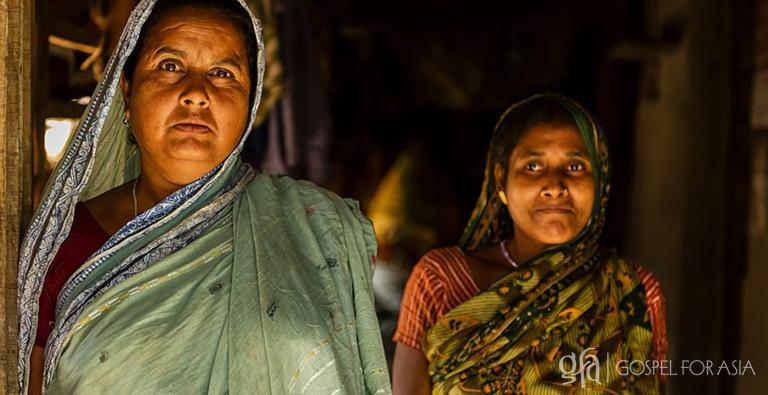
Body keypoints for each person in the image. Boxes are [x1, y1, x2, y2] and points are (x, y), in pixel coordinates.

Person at [17, 0, 391, 393]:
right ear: (126, 91)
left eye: (222, 73)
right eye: (170, 66)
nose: (196, 93)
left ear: (250, 101)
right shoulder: (63, 244)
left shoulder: (312, 230)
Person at [391, 94, 667, 394]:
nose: (555, 186)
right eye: (533, 166)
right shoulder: (440, 280)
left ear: (599, 181)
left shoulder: (634, 291)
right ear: (501, 181)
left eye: (575, 167)